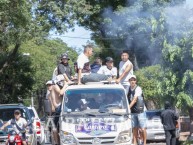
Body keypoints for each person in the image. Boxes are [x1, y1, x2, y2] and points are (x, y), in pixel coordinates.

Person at [46, 80, 68, 145]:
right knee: (54, 128)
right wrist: (50, 116)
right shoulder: (49, 95)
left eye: (50, 85)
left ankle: (59, 142)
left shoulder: (55, 87)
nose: (48, 86)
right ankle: (57, 143)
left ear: (53, 84)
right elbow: (51, 107)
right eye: (47, 85)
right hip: (56, 111)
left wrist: (65, 85)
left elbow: (61, 93)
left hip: (60, 108)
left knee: (59, 127)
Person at [127, 75, 146, 145]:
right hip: (133, 112)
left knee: (142, 128)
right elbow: (125, 97)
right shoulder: (128, 89)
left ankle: (144, 143)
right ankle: (135, 142)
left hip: (140, 112)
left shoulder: (138, 88)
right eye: (131, 80)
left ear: (136, 81)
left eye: (134, 80)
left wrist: (128, 108)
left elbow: (135, 99)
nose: (133, 81)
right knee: (134, 128)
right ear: (129, 81)